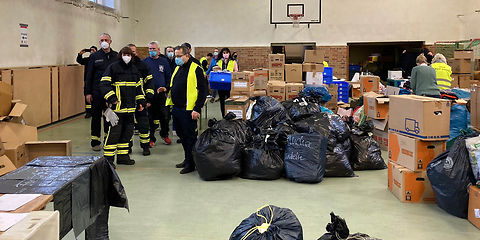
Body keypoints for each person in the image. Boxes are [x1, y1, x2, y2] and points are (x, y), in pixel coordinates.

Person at [100, 46, 146, 165]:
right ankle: (108, 160)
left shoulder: (135, 70)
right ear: (120, 55)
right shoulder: (113, 68)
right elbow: (104, 84)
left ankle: (122, 156)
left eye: (129, 55)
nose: (127, 57)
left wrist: (141, 102)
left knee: (127, 134)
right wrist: (112, 98)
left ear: (132, 56)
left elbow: (139, 89)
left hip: (130, 109)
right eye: (125, 54)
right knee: (114, 133)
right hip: (116, 109)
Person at [166, 45, 208, 174]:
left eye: (179, 56)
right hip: (177, 108)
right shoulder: (178, 68)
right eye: (176, 56)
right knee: (182, 136)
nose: (176, 58)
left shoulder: (196, 69)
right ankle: (187, 159)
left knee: (190, 137)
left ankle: (192, 163)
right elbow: (174, 85)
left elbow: (203, 90)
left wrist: (197, 108)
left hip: (189, 110)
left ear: (187, 55)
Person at [85, 33, 118, 151]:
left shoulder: (116, 56)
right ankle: (95, 141)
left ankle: (108, 139)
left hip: (110, 93)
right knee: (96, 117)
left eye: (106, 40)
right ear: (99, 42)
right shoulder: (94, 56)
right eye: (102, 40)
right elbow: (89, 75)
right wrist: (87, 92)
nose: (104, 42)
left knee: (109, 117)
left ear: (110, 41)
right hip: (96, 92)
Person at [143, 41, 173, 146]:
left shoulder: (164, 62)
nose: (152, 51)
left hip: (161, 95)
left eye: (154, 49)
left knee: (165, 116)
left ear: (159, 50)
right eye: (150, 49)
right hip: (149, 95)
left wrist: (166, 88)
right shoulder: (145, 62)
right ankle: (151, 139)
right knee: (150, 117)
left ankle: (164, 135)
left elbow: (169, 77)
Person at [128, 44, 154, 156]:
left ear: (136, 52)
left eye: (133, 51)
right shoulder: (118, 66)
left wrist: (148, 99)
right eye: (129, 52)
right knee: (127, 126)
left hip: (141, 100)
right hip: (126, 101)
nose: (132, 54)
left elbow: (149, 82)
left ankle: (145, 146)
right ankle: (127, 147)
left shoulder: (143, 66)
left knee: (144, 124)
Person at [216, 47, 238, 117]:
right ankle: (223, 115)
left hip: (229, 84)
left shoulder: (233, 62)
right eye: (224, 53)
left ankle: (230, 115)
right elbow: (215, 70)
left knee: (229, 100)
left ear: (229, 53)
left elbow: (236, 71)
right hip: (221, 85)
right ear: (222, 54)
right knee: (222, 101)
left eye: (227, 53)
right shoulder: (219, 62)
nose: (225, 54)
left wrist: (230, 72)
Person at [77, 46, 98, 118]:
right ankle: (88, 112)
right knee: (87, 96)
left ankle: (96, 111)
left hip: (95, 81)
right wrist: (80, 54)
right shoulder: (87, 60)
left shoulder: (98, 60)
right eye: (91, 50)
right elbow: (79, 61)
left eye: (93, 50)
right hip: (88, 81)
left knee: (95, 96)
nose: (92, 51)